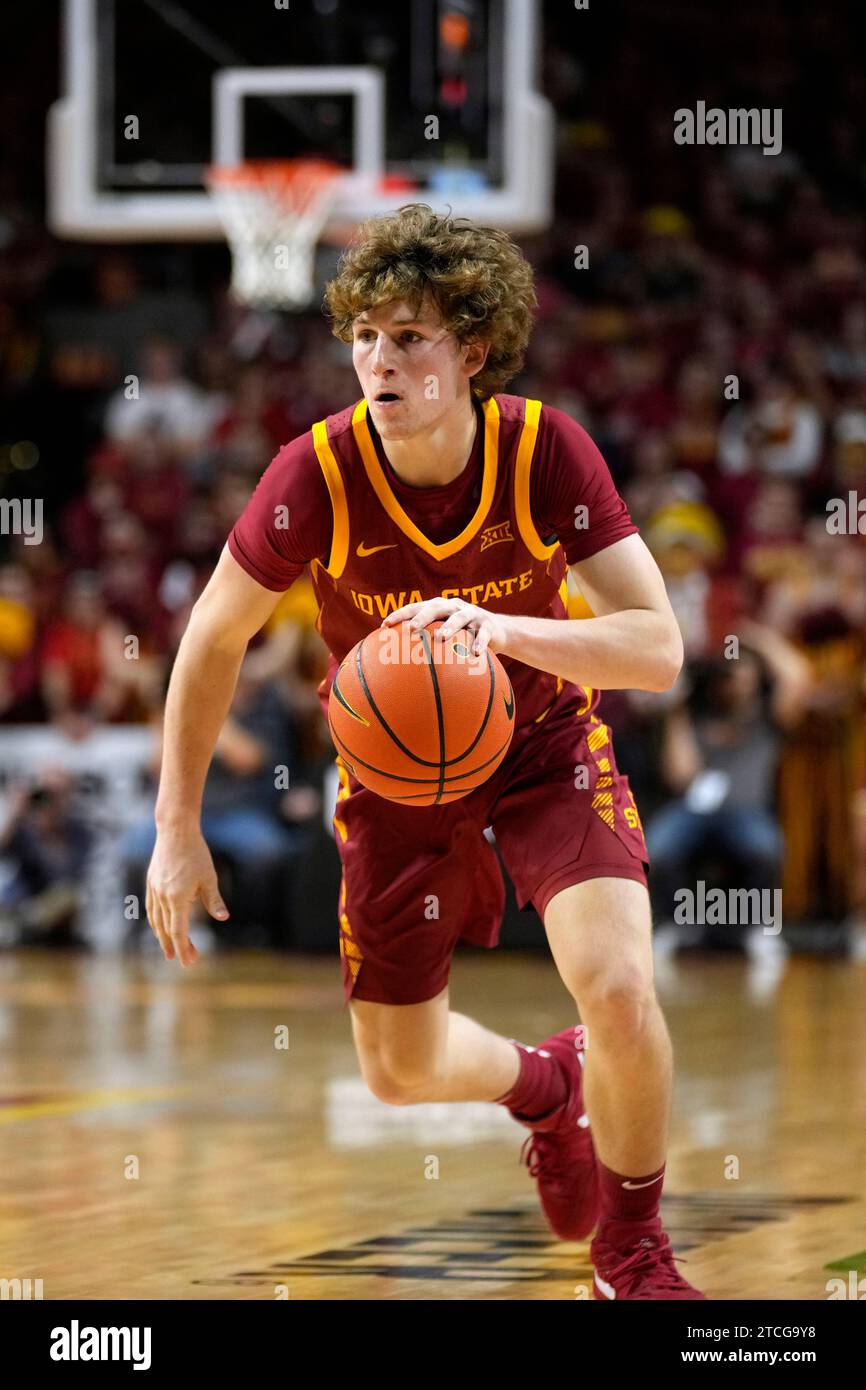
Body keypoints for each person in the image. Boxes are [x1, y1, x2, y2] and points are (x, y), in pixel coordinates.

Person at [146, 206, 699, 1300]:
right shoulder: (315, 473)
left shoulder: (544, 450)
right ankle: (545, 1088)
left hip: (542, 746)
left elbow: (658, 648)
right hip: (395, 775)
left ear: (472, 351)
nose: (378, 360)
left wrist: (504, 629)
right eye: (364, 335)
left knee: (621, 989)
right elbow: (212, 639)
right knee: (397, 1073)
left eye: (410, 339)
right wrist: (176, 828)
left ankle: (630, 1255)